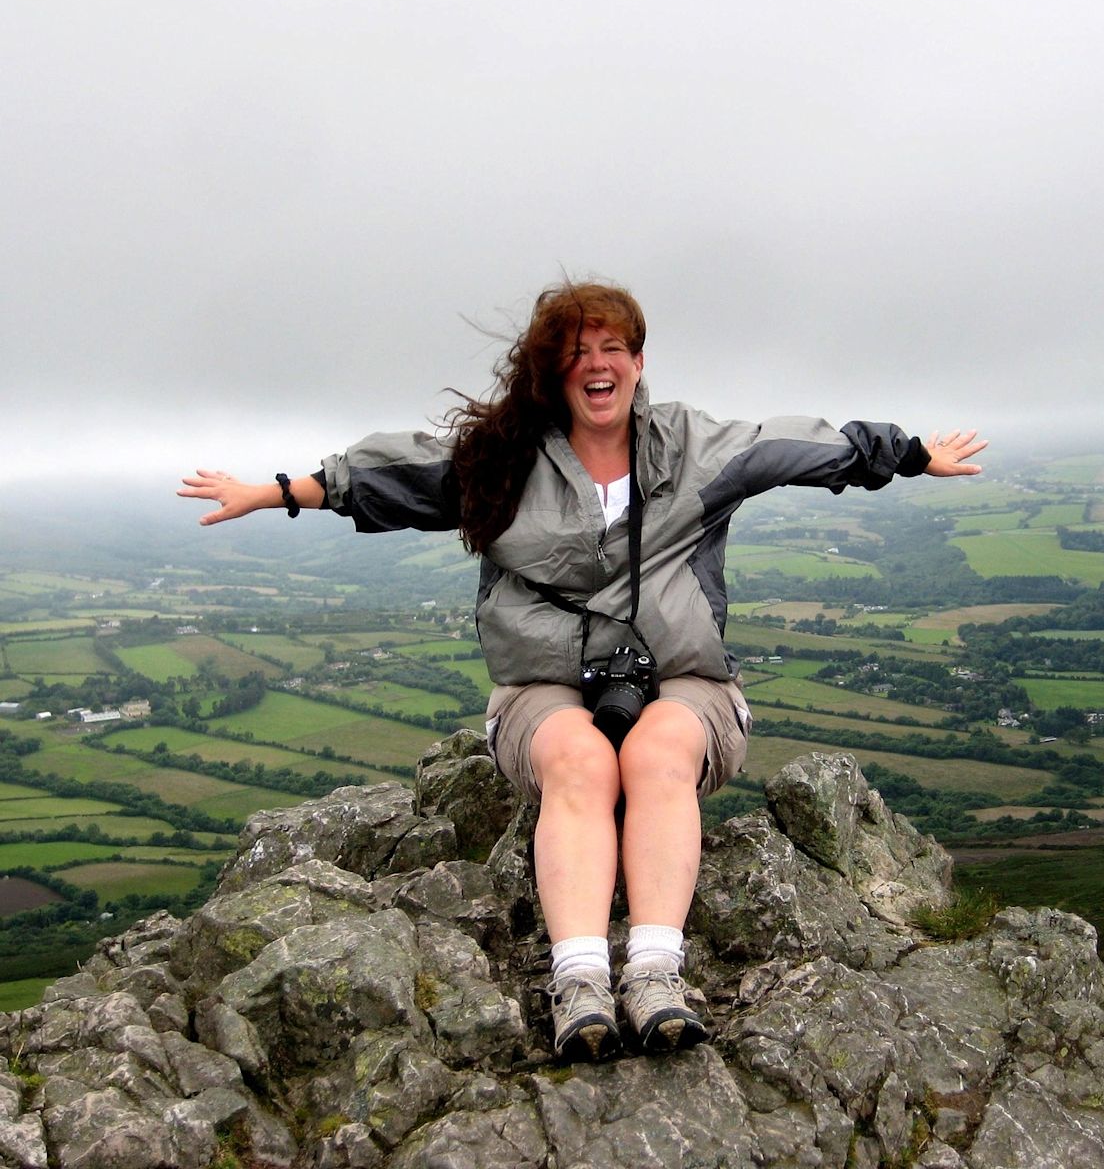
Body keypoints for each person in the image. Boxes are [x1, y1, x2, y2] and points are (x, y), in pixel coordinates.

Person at [179, 280, 986, 1062]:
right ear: (549, 369)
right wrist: (272, 491)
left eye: (612, 347)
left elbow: (800, 447)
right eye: (574, 350)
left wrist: (913, 454)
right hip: (543, 687)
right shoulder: (499, 457)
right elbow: (386, 479)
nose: (595, 363)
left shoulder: (692, 448)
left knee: (656, 752)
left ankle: (657, 976)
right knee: (581, 761)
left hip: (684, 679)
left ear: (637, 362)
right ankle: (580, 986)